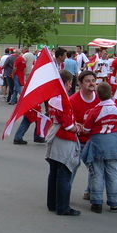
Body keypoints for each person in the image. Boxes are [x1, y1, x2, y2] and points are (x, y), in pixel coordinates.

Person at [81, 82, 117, 213]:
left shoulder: (95, 110)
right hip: (113, 144)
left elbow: (86, 128)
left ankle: (97, 202)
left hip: (98, 143)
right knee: (113, 173)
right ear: (111, 93)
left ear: (97, 95)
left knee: (97, 173)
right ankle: (114, 201)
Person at [45, 69, 81, 216]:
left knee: (54, 172)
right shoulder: (63, 99)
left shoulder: (54, 96)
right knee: (65, 172)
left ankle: (52, 203)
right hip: (63, 137)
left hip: (54, 132)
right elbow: (67, 125)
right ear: (67, 82)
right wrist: (77, 128)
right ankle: (63, 207)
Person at [69, 70, 99, 200]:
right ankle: (65, 193)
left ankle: (91, 192)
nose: (91, 84)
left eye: (93, 81)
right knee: (71, 168)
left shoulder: (99, 99)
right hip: (77, 140)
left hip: (93, 141)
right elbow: (69, 120)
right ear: (80, 84)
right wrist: (76, 125)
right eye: (87, 81)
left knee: (95, 169)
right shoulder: (73, 100)